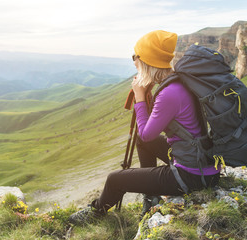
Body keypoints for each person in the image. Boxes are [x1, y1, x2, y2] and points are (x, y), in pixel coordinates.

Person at [68, 30, 220, 224]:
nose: (133, 62)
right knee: (141, 140)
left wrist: (139, 96)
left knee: (115, 179)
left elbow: (147, 133)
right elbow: (147, 134)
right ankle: (151, 197)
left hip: (191, 175)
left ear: (147, 60)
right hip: (201, 162)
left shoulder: (169, 93)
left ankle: (95, 213)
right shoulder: (179, 82)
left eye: (135, 57)